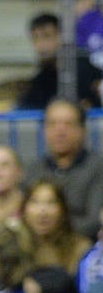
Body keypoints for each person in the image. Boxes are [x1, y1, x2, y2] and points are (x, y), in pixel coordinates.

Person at [24, 100, 103, 237]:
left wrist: (52, 233)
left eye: (68, 124)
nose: (60, 131)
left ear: (82, 130)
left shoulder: (98, 167)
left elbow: (94, 220)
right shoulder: (33, 169)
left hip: (85, 248)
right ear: (44, 130)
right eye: (52, 124)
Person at [13, 12, 103, 114]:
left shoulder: (85, 70)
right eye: (35, 38)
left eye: (46, 36)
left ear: (62, 37)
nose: (40, 45)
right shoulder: (44, 75)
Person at [19, 178, 89, 276]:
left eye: (51, 202)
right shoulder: (15, 247)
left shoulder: (80, 248)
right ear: (24, 211)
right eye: (35, 202)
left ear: (63, 211)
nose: (42, 212)